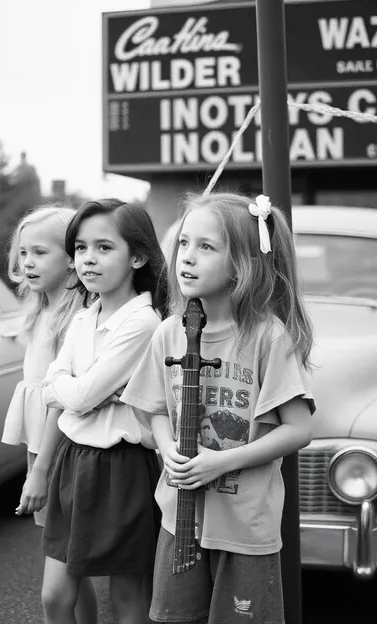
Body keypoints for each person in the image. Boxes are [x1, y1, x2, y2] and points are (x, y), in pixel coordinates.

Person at [121, 192, 316, 624]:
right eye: (184, 244)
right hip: (178, 519)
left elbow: (298, 429)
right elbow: (152, 407)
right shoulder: (169, 332)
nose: (187, 258)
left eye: (206, 247)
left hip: (244, 526)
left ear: (242, 264)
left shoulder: (269, 337)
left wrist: (221, 462)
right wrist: (167, 445)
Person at [39, 198, 168, 624]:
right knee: (55, 596)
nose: (87, 259)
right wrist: (71, 389)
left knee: (128, 596)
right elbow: (56, 388)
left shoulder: (143, 322)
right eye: (80, 248)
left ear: (137, 256)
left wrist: (69, 388)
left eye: (103, 247)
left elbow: (75, 397)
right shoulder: (82, 317)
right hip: (73, 461)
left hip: (123, 467)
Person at [1, 205, 101, 623]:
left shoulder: (76, 318)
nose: (27, 262)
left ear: (72, 258)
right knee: (70, 565)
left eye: (39, 252)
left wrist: (40, 470)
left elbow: (64, 403)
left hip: (60, 449)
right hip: (42, 446)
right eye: (22, 253)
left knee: (65, 567)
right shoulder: (42, 308)